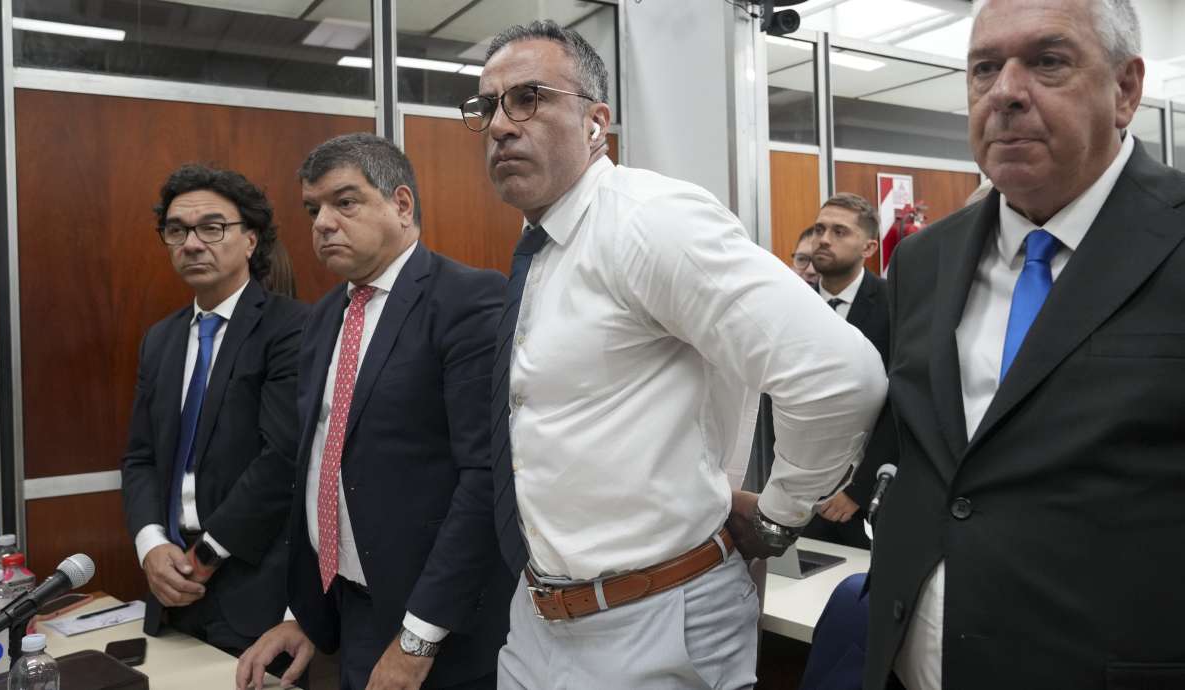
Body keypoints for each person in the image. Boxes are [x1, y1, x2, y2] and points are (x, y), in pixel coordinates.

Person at [466, 21, 886, 688]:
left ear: (596, 120)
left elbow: (840, 378)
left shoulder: (648, 221)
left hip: (657, 620)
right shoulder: (542, 248)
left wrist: (778, 516)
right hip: (540, 616)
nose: (499, 125)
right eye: (486, 106)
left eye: (528, 98)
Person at [865, 1, 1185, 688]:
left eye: (1047, 61)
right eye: (985, 68)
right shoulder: (923, 260)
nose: (1006, 91)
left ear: (1126, 90)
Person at [236, 133, 512, 690]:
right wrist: (303, 617)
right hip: (352, 611)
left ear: (401, 205)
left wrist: (417, 641)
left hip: (442, 625)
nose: (322, 223)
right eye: (314, 209)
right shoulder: (321, 321)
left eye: (345, 202)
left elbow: (483, 482)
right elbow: (320, 467)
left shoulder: (466, 301)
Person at [120, 164, 307, 670]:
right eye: (177, 230)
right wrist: (151, 547)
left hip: (254, 591)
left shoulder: (291, 328)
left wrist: (205, 556)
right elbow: (140, 457)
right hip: (171, 592)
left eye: (212, 227)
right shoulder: (160, 339)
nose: (192, 243)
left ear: (250, 240)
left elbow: (283, 459)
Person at [801, 193, 893, 549]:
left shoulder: (894, 303)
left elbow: (901, 403)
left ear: (868, 247)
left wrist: (860, 486)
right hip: (798, 492)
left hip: (866, 497)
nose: (823, 239)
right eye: (819, 229)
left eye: (840, 232)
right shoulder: (794, 301)